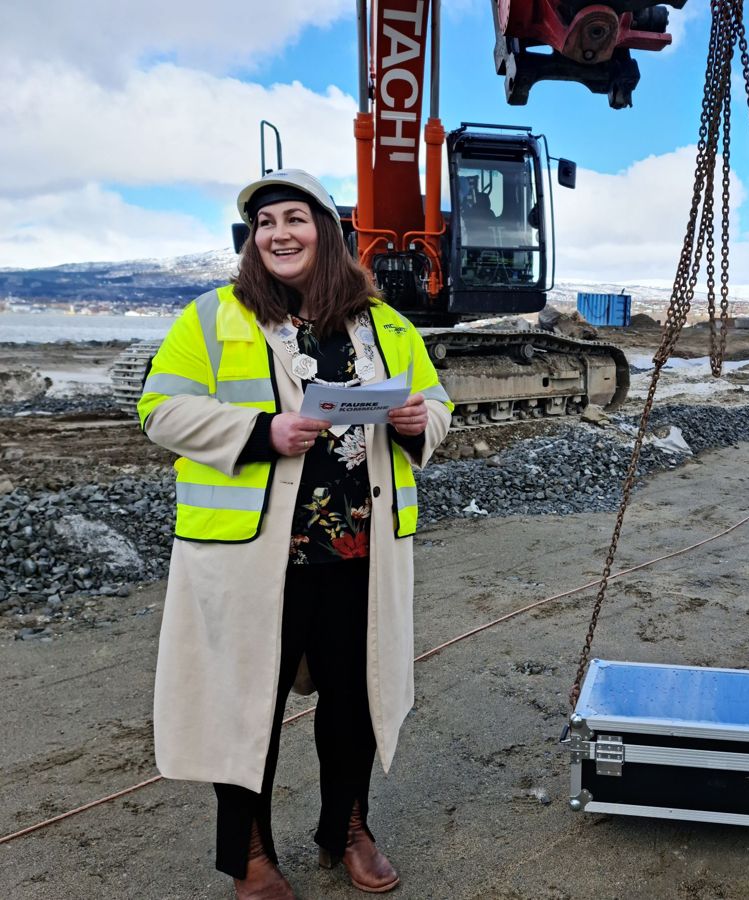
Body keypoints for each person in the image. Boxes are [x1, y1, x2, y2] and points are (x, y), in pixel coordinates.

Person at [138, 169, 453, 898]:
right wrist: (259, 431)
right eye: (266, 223)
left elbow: (436, 401)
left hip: (356, 553)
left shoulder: (385, 325)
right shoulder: (213, 318)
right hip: (252, 560)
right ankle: (249, 855)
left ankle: (345, 826)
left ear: (329, 234)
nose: (280, 233)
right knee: (242, 707)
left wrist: (417, 423)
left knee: (354, 701)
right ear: (252, 242)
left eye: (296, 219)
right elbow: (159, 410)